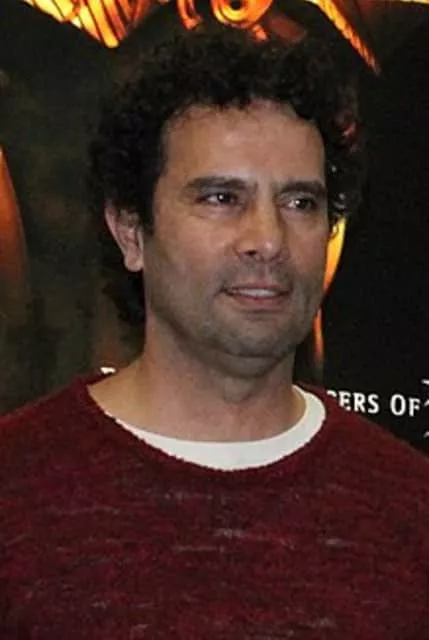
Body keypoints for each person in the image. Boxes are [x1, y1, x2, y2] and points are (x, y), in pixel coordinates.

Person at [0, 27, 428, 639]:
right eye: (222, 198)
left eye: (300, 203)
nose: (268, 240)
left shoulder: (410, 508)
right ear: (130, 231)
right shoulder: (16, 489)